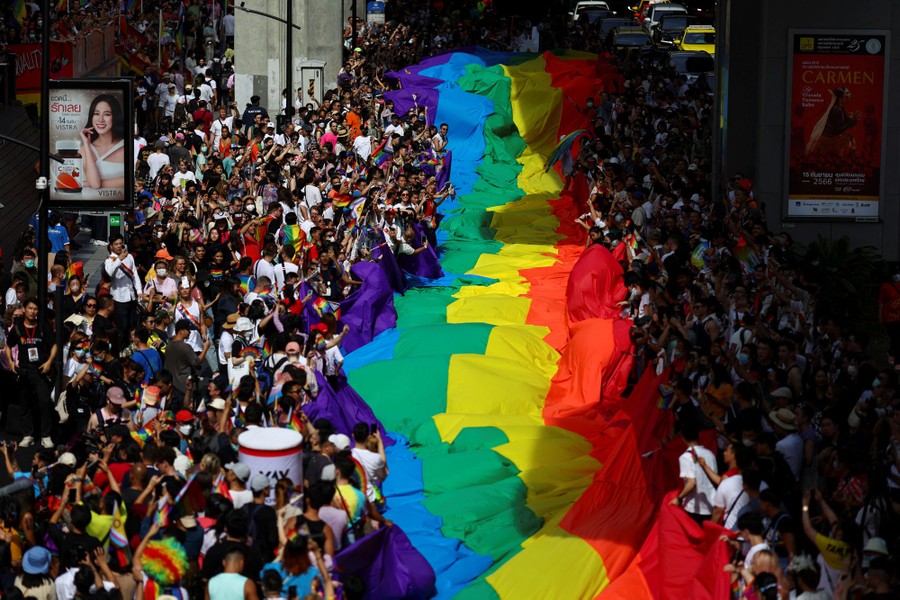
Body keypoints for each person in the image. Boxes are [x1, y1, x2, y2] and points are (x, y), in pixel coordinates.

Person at [4, 297, 57, 448]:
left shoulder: (43, 327)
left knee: (45, 402)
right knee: (24, 403)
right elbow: (8, 346)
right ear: (25, 309)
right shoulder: (18, 328)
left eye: (35, 309)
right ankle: (28, 435)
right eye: (30, 308)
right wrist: (10, 362)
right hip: (24, 370)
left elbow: (54, 346)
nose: (33, 312)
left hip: (40, 370)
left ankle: (46, 435)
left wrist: (49, 362)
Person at [671, 422, 717, 524]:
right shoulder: (710, 454)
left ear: (682, 437)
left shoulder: (685, 457)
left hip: (694, 508)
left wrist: (678, 498)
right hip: (712, 504)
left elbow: (691, 483)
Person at [79, 93, 126, 190]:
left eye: (107, 114)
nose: (100, 119)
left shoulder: (126, 145)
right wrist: (87, 144)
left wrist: (103, 183)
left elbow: (132, 179)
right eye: (96, 114)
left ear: (115, 117)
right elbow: (95, 184)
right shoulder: (84, 149)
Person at [103, 233, 142, 333]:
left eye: (121, 243)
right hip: (118, 297)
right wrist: (119, 259)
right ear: (111, 246)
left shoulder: (129, 257)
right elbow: (110, 273)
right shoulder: (109, 260)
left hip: (131, 296)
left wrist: (139, 290)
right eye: (116, 244)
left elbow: (135, 275)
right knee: (122, 327)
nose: (119, 246)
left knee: (132, 325)